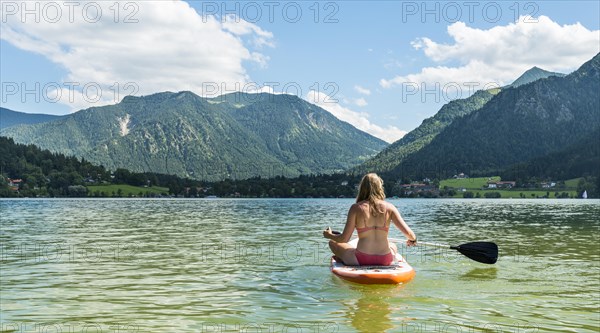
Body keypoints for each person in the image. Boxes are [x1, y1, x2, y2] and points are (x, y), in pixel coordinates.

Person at [323, 173, 417, 266]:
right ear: (379, 188)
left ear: (362, 188)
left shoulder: (356, 208)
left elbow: (344, 238)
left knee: (333, 243)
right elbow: (410, 235)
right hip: (385, 259)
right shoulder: (390, 207)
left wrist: (329, 235)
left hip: (360, 259)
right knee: (392, 245)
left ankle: (343, 257)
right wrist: (412, 240)